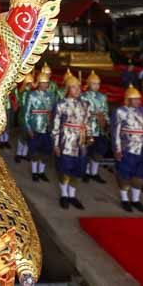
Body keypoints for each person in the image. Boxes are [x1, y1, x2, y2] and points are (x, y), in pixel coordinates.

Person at [111, 85, 143, 212]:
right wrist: (117, 149)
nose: (138, 101)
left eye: (139, 98)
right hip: (128, 146)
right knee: (124, 173)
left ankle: (136, 200)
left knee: (142, 173)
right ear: (128, 99)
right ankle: (125, 199)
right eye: (135, 99)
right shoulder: (120, 112)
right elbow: (115, 132)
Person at [52, 74, 90, 210]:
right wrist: (56, 144)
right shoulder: (61, 105)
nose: (77, 90)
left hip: (81, 142)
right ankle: (64, 195)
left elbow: (87, 122)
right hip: (66, 141)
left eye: (78, 87)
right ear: (68, 89)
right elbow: (56, 126)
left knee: (79, 169)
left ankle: (72, 195)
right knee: (65, 168)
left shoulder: (85, 104)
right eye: (73, 87)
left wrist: (89, 136)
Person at [23, 72, 56, 182]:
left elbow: (53, 111)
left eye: (46, 83)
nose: (44, 85)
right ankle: (34, 172)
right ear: (38, 83)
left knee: (46, 151)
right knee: (35, 152)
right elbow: (27, 113)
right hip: (35, 126)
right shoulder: (32, 95)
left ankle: (41, 172)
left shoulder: (51, 95)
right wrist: (28, 128)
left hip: (47, 127)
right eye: (42, 83)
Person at [80, 71, 109, 183]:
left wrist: (105, 121)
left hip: (100, 127)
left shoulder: (102, 97)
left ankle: (94, 172)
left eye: (98, 84)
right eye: (94, 83)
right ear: (88, 84)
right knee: (87, 150)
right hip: (88, 127)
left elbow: (105, 111)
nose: (96, 86)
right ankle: (86, 172)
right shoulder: (83, 96)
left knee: (99, 151)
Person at [14, 73, 35, 163]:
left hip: (28, 117)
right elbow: (22, 104)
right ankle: (20, 154)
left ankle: (23, 154)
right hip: (23, 117)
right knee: (23, 136)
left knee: (26, 137)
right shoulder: (24, 93)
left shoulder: (30, 93)